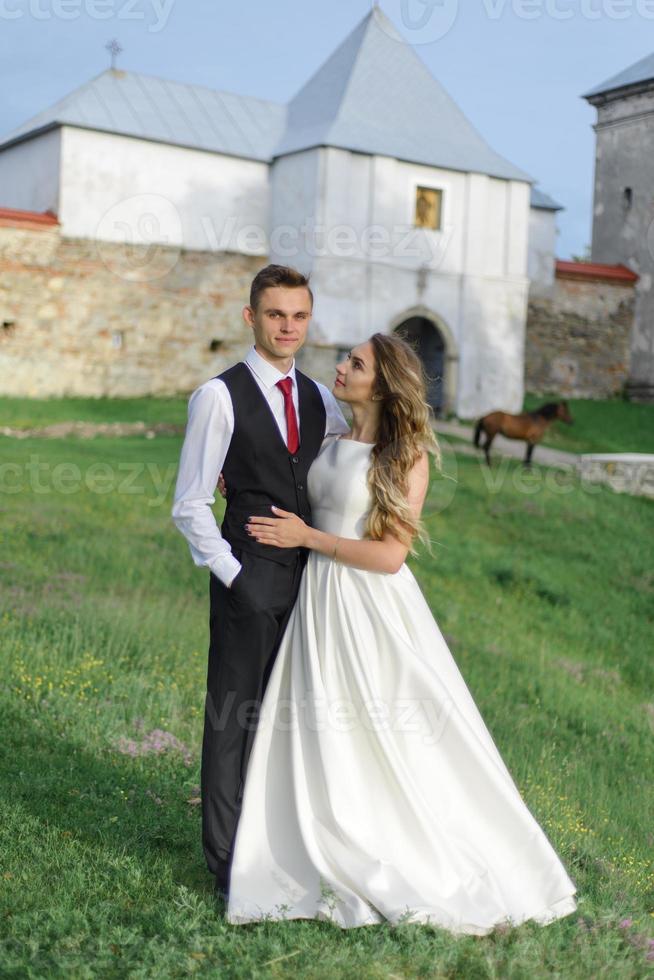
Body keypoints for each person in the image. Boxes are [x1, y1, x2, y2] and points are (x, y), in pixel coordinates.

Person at [221, 331, 579, 934]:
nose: (340, 366)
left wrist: (310, 540)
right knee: (320, 722)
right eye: (348, 359)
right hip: (319, 601)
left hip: (368, 605)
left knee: (386, 727)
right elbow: (296, 489)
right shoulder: (329, 437)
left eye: (355, 363)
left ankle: (411, 844)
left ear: (383, 384)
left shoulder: (405, 456)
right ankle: (311, 838)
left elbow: (391, 556)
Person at [171, 265, 350, 900]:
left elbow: (330, 474)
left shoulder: (320, 399)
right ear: (251, 317)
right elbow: (189, 503)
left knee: (287, 717)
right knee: (232, 717)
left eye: (299, 315)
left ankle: (279, 842)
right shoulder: (218, 397)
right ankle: (224, 863)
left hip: (311, 582)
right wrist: (234, 576)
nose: (289, 327)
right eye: (276, 315)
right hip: (248, 579)